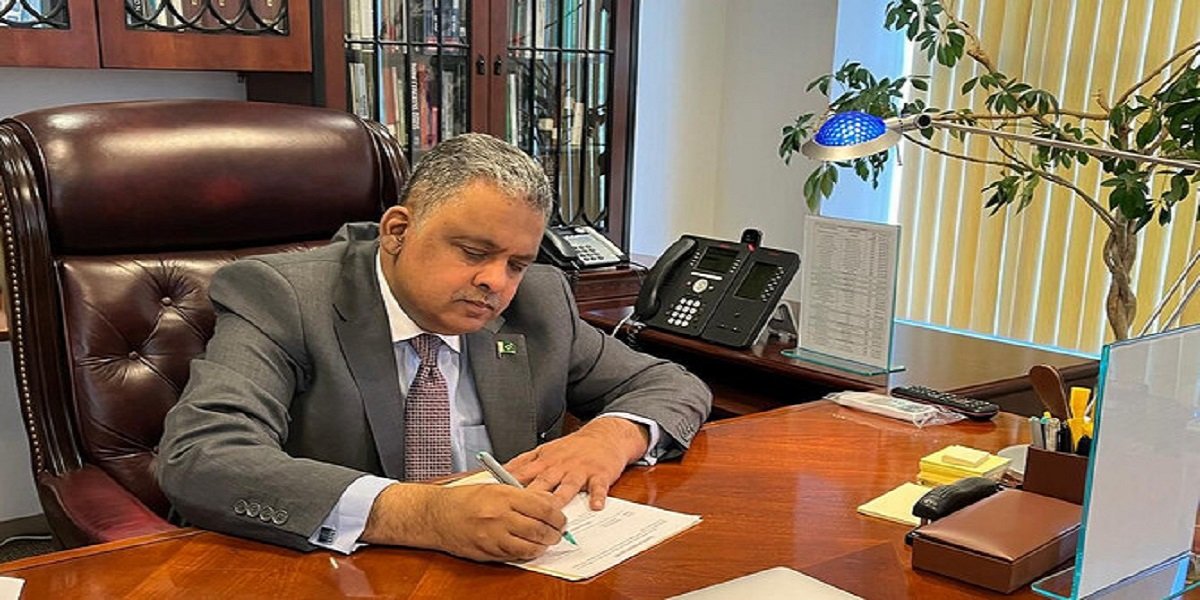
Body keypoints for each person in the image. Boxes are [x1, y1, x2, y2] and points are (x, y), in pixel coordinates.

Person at [156, 133, 712, 562]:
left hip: (511, 571)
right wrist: (422, 514)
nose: (496, 282)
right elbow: (202, 457)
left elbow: (670, 383)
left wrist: (609, 436)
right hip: (339, 570)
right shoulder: (284, 298)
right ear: (397, 231)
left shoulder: (539, 301)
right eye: (474, 252)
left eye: (517, 263)